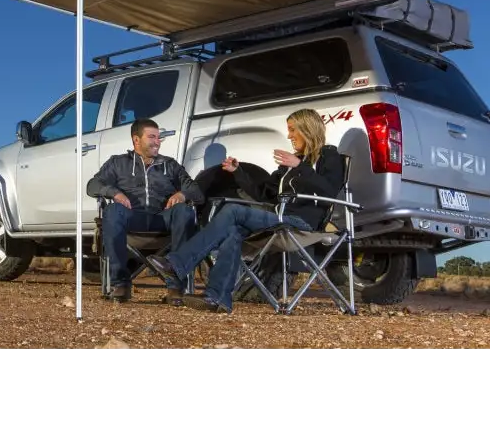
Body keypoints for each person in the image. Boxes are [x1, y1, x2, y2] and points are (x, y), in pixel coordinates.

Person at [147, 108, 344, 314]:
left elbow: (330, 190)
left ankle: (177, 265)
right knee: (232, 233)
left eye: (293, 129)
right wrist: (238, 172)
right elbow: (263, 194)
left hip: (303, 223)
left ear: (307, 128)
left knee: (233, 211)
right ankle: (217, 298)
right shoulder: (290, 163)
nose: (289, 135)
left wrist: (300, 167)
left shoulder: (329, 155)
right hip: (278, 219)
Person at [86, 117, 205, 304]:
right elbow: (92, 185)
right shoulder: (118, 163)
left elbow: (197, 192)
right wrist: (114, 193)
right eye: (152, 137)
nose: (157, 142)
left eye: (158, 137)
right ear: (136, 140)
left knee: (184, 211)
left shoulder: (170, 165)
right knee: (112, 211)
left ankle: (175, 286)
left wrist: (182, 195)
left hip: (162, 218)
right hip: (133, 218)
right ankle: (121, 283)